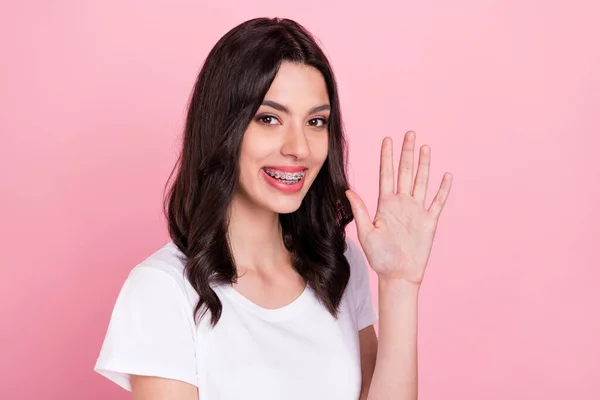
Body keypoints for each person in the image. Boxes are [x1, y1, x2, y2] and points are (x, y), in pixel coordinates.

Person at [93, 17, 452, 400]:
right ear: (223, 127)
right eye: (269, 118)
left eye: (316, 121)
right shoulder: (163, 290)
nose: (299, 147)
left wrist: (399, 285)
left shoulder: (338, 265)